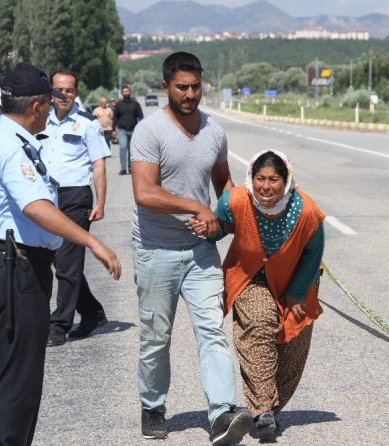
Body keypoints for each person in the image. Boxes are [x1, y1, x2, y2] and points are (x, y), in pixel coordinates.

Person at [0, 62, 121, 446]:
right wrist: (92, 242)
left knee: (9, 377)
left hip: (12, 264)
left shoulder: (6, 139)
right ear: (37, 105)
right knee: (18, 383)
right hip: (15, 268)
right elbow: (35, 206)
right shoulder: (10, 146)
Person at [130, 51, 251, 444]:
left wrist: (237, 216)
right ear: (166, 86)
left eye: (196, 86)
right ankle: (152, 406)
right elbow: (144, 193)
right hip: (155, 249)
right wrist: (195, 206)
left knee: (212, 331)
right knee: (155, 337)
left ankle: (221, 414)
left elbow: (224, 187)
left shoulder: (214, 132)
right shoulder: (150, 132)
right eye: (182, 87)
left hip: (201, 252)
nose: (190, 94)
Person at [193, 149, 325, 439]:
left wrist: (298, 293)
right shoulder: (236, 200)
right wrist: (208, 228)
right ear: (251, 179)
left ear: (287, 180)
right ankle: (262, 409)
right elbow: (219, 227)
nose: (266, 187)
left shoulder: (306, 211)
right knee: (259, 327)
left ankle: (271, 409)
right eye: (260, 178)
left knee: (293, 340)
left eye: (274, 179)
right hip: (250, 277)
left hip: (296, 282)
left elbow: (314, 252)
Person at [41, 69, 113, 347]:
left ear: (76, 93)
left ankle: (59, 325)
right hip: (45, 197)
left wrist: (101, 201)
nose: (64, 95)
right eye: (58, 90)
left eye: (69, 90)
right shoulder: (39, 122)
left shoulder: (87, 124)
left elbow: (98, 165)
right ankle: (93, 312)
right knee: (59, 261)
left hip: (75, 198)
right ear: (51, 91)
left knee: (67, 263)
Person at [113, 85, 142, 175]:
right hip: (122, 130)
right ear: (122, 93)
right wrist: (113, 129)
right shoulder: (118, 104)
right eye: (124, 91)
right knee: (122, 147)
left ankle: (130, 168)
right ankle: (123, 168)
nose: (126, 93)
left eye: (127, 91)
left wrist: (141, 128)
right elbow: (115, 117)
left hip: (133, 130)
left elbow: (140, 116)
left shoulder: (135, 104)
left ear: (130, 92)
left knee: (131, 150)